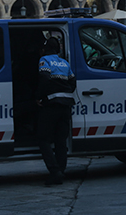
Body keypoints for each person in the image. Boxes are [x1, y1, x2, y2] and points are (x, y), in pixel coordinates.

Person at [36, 38, 76, 185]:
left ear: (45, 49)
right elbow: (72, 81)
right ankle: (61, 170)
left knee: (43, 139)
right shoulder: (64, 62)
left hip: (52, 104)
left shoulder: (44, 60)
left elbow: (44, 78)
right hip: (66, 104)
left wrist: (39, 97)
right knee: (61, 140)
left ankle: (54, 171)